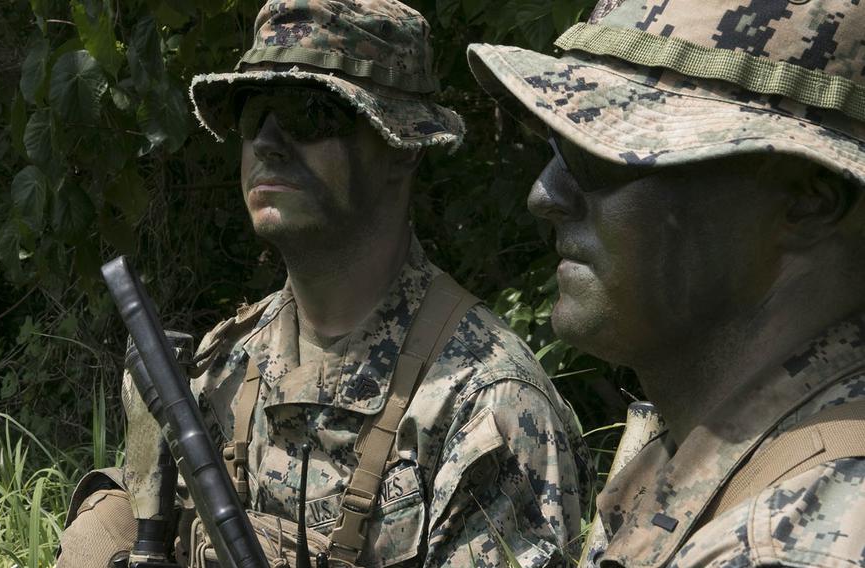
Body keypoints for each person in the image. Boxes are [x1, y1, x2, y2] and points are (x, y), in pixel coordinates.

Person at [56, 1, 592, 567]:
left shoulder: (487, 407)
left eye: (309, 114)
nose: (267, 143)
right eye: (251, 114)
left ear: (401, 147)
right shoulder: (224, 366)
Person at [467, 0, 865, 566]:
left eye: (601, 154)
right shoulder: (724, 468)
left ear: (810, 200)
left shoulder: (790, 542)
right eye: (556, 145)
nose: (545, 196)